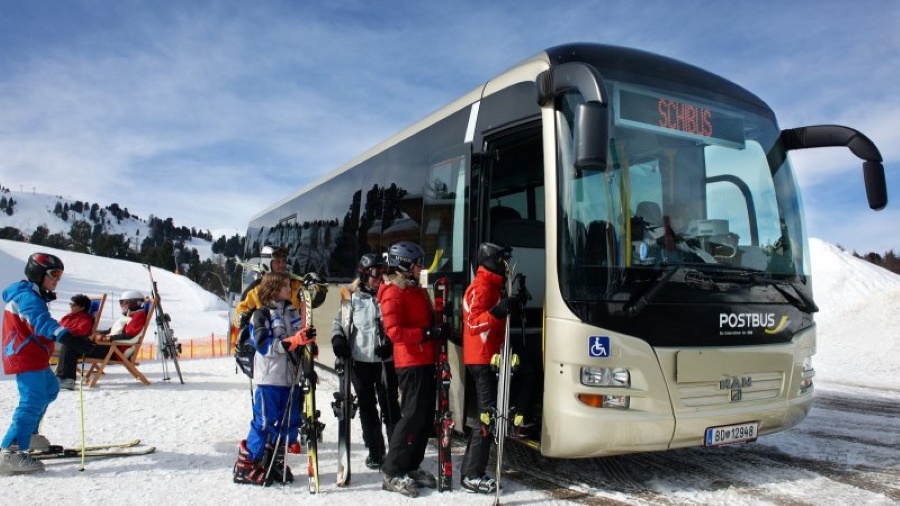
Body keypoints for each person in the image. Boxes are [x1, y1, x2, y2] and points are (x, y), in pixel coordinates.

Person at [1, 252, 93, 475]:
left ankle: (29, 434)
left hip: (36, 355)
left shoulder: (36, 295)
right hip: (24, 355)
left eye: (59, 275)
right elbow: (40, 321)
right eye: (53, 274)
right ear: (37, 273)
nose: (56, 279)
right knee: (33, 398)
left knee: (50, 389)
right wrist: (68, 337)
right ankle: (10, 451)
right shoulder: (27, 297)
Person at [378, 241, 450, 498]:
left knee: (424, 418)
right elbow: (395, 332)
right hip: (410, 362)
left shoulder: (416, 290)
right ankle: (392, 469)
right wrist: (428, 332)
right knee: (411, 416)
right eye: (418, 263)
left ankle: (411, 464)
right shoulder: (392, 292)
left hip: (426, 359)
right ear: (404, 265)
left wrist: (441, 318)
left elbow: (429, 316)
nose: (421, 268)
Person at [233, 272, 317, 486]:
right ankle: (246, 465)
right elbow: (264, 346)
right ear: (273, 289)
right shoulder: (261, 314)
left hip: (291, 378)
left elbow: (299, 337)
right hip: (270, 378)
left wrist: (308, 345)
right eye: (286, 286)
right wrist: (293, 342)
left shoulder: (291, 312)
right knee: (264, 423)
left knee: (289, 424)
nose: (290, 290)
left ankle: (274, 461)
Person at [458, 242, 525, 494]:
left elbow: (497, 319)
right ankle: (471, 475)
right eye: (500, 260)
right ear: (489, 261)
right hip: (481, 358)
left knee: (490, 413)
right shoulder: (479, 287)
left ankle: (473, 468)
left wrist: (511, 306)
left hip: (493, 356)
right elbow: (473, 324)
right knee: (486, 415)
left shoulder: (495, 286)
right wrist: (498, 311)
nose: (504, 265)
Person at [331, 253, 400, 470]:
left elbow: (397, 322)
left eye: (382, 272)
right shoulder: (350, 297)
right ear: (364, 274)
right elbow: (339, 323)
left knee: (390, 408)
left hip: (385, 361)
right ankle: (376, 452)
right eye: (374, 273)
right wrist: (338, 339)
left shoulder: (389, 294)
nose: (378, 277)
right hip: (360, 363)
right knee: (368, 407)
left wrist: (391, 343)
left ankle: (396, 454)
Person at [55, 290, 147, 390]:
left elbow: (130, 336)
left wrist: (107, 338)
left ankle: (66, 379)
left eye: (124, 302)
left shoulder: (138, 316)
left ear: (134, 303)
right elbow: (110, 330)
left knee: (71, 344)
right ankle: (64, 378)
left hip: (114, 350)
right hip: (110, 347)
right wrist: (98, 335)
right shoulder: (130, 316)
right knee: (72, 344)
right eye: (121, 302)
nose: (121, 305)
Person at [233, 245, 326, 329]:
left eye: (283, 261)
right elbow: (240, 312)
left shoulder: (294, 285)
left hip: (294, 338)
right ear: (267, 263)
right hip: (268, 341)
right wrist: (241, 317)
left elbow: (313, 301)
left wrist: (317, 285)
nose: (282, 265)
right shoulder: (255, 289)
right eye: (277, 262)